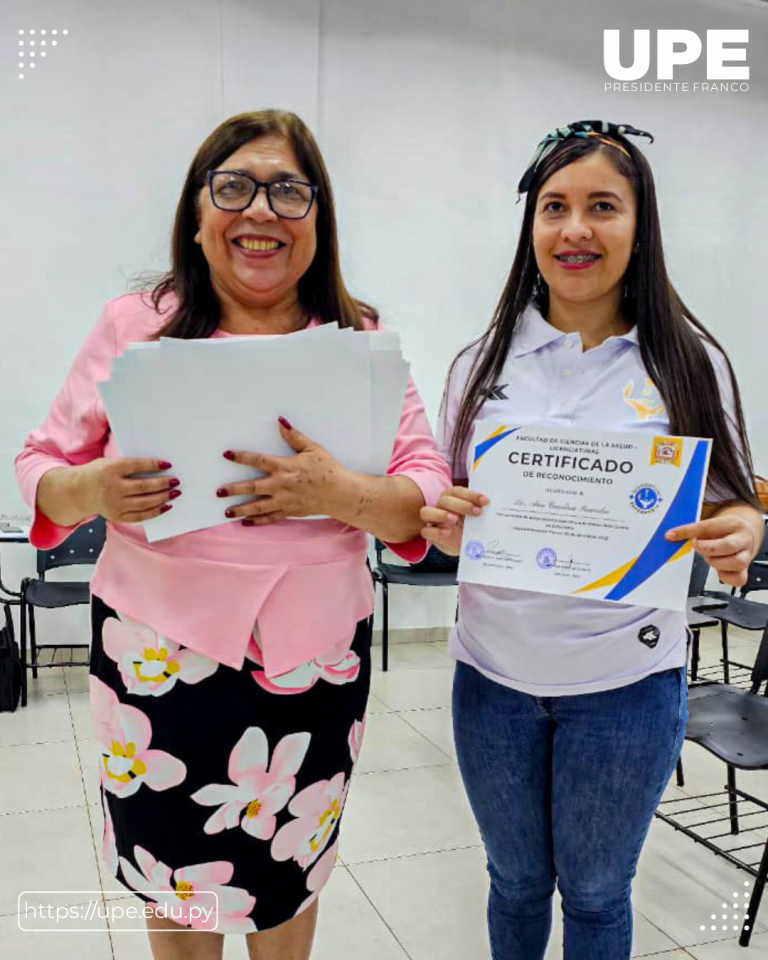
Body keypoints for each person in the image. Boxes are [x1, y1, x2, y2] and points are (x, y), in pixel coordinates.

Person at [15, 109, 451, 960]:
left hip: (313, 658)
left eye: (290, 191)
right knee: (178, 881)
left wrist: (339, 492)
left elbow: (422, 495)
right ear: (196, 212)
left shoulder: (357, 339)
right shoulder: (133, 324)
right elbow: (41, 469)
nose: (262, 210)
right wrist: (93, 486)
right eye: (235, 186)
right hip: (156, 655)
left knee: (288, 874)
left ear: (319, 220)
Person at [420, 120, 763, 960]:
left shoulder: (690, 361)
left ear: (640, 227)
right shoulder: (479, 363)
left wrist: (745, 528)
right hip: (491, 682)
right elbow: (445, 513)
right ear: (529, 227)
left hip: (626, 687)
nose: (575, 230)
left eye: (602, 207)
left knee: (600, 894)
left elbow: (739, 502)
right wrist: (437, 523)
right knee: (513, 882)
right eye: (554, 208)